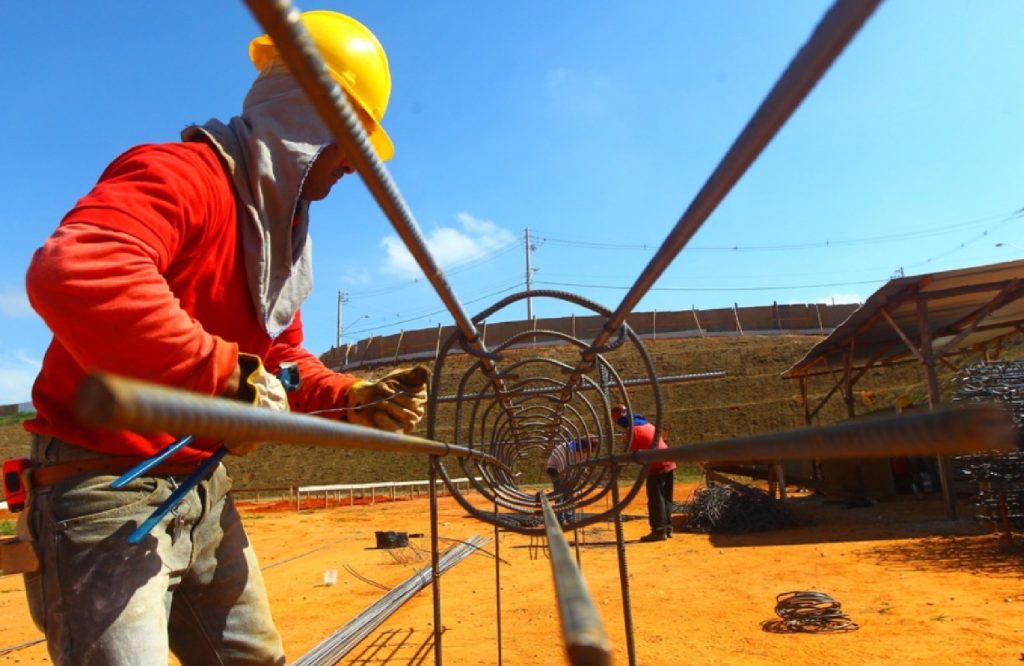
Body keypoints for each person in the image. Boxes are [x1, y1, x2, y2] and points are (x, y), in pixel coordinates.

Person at [17, 11, 428, 665]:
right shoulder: (182, 177)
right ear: (306, 120)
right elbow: (80, 272)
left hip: (201, 488)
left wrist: (350, 394)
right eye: (353, 139)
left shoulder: (277, 247)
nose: (356, 165)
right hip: (102, 489)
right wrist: (225, 380)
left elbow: (281, 364)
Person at [612, 403, 676, 542]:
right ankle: (667, 528)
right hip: (668, 461)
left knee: (656, 499)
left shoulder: (632, 430)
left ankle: (658, 531)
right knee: (666, 498)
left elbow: (629, 454)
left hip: (656, 465)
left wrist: (617, 462)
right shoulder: (645, 423)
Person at [545, 435, 598, 525]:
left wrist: (580, 476)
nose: (588, 452)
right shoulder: (564, 451)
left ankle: (570, 518)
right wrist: (571, 484)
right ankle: (561, 520)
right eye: (588, 449)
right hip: (554, 468)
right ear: (584, 447)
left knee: (569, 494)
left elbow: (581, 464)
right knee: (560, 493)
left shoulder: (584, 451)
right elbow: (563, 471)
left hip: (568, 468)